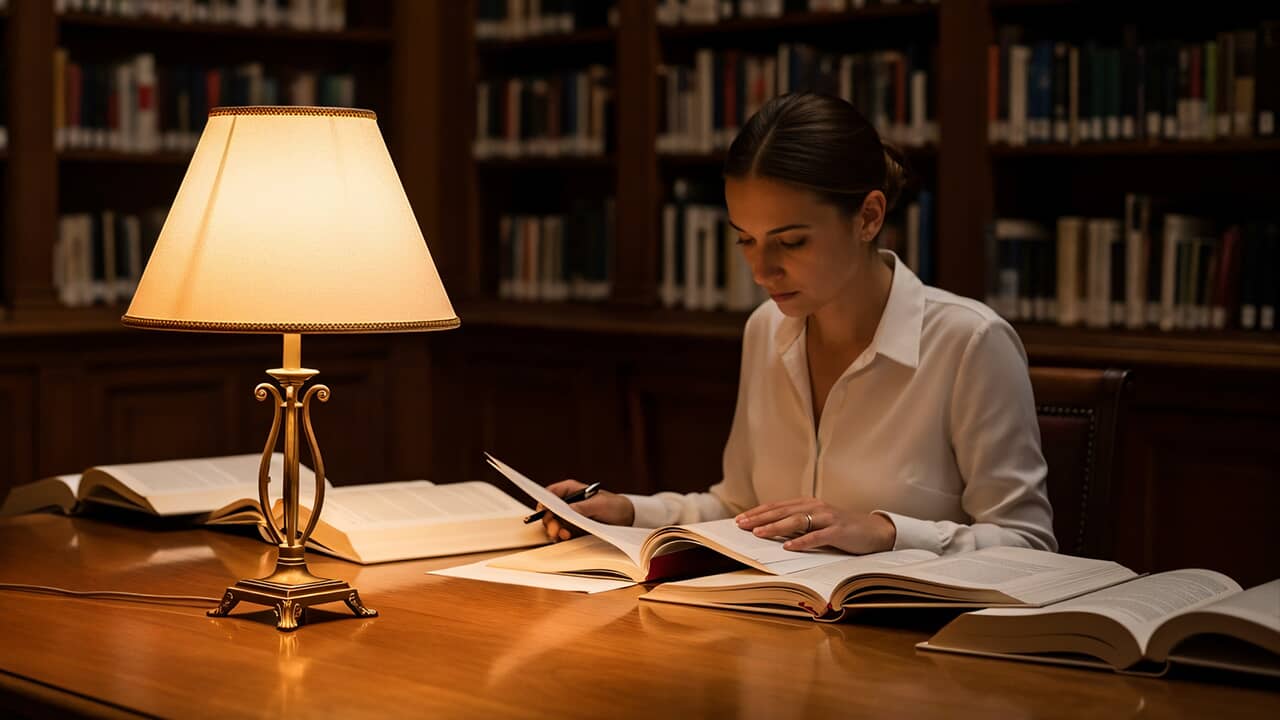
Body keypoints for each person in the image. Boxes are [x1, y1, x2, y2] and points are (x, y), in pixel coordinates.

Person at [539, 92, 1056, 556]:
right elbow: (742, 505)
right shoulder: (766, 328)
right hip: (783, 629)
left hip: (913, 645)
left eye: (791, 242)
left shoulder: (970, 343)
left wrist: (887, 531)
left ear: (868, 217)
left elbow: (1030, 545)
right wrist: (628, 513)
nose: (762, 270)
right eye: (745, 239)